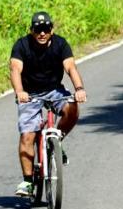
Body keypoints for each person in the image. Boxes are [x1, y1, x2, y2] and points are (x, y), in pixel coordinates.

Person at [9, 10, 86, 197]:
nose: (41, 33)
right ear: (31, 30)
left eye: (45, 29)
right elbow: (15, 69)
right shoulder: (22, 45)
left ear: (51, 29)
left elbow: (70, 67)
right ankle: (27, 181)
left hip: (54, 90)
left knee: (72, 108)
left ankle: (57, 142)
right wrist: (20, 92)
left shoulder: (60, 44)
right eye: (37, 29)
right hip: (30, 94)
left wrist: (79, 88)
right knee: (27, 136)